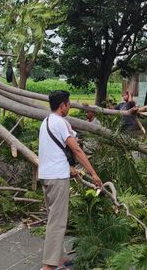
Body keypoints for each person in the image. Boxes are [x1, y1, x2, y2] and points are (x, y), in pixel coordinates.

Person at [39, 90, 103, 270]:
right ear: (62, 105)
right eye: (68, 104)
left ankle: (59, 260)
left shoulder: (46, 122)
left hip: (46, 176)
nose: (69, 107)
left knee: (53, 219)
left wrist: (69, 168)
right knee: (58, 223)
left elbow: (51, 151)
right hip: (57, 178)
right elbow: (77, 150)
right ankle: (48, 267)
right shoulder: (61, 123)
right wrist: (94, 174)